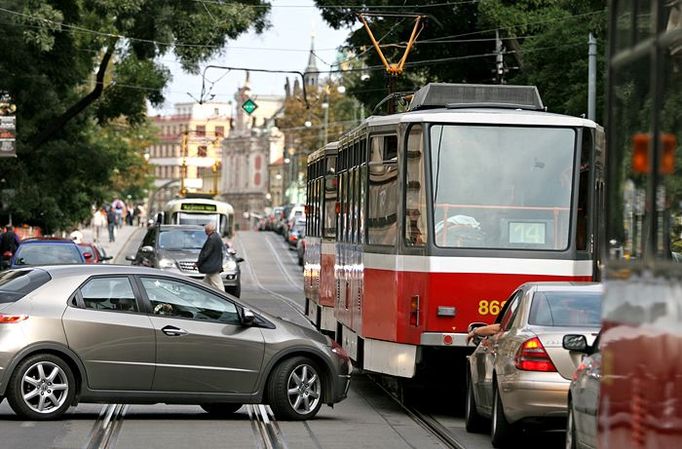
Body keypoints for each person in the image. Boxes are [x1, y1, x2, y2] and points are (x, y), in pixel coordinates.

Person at [196, 222, 224, 291]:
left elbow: (205, 254)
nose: (205, 231)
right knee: (205, 284)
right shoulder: (217, 236)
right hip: (214, 265)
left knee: (218, 286)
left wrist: (198, 263)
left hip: (212, 267)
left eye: (205, 230)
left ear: (208, 230)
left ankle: (224, 299)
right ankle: (202, 296)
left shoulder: (212, 239)